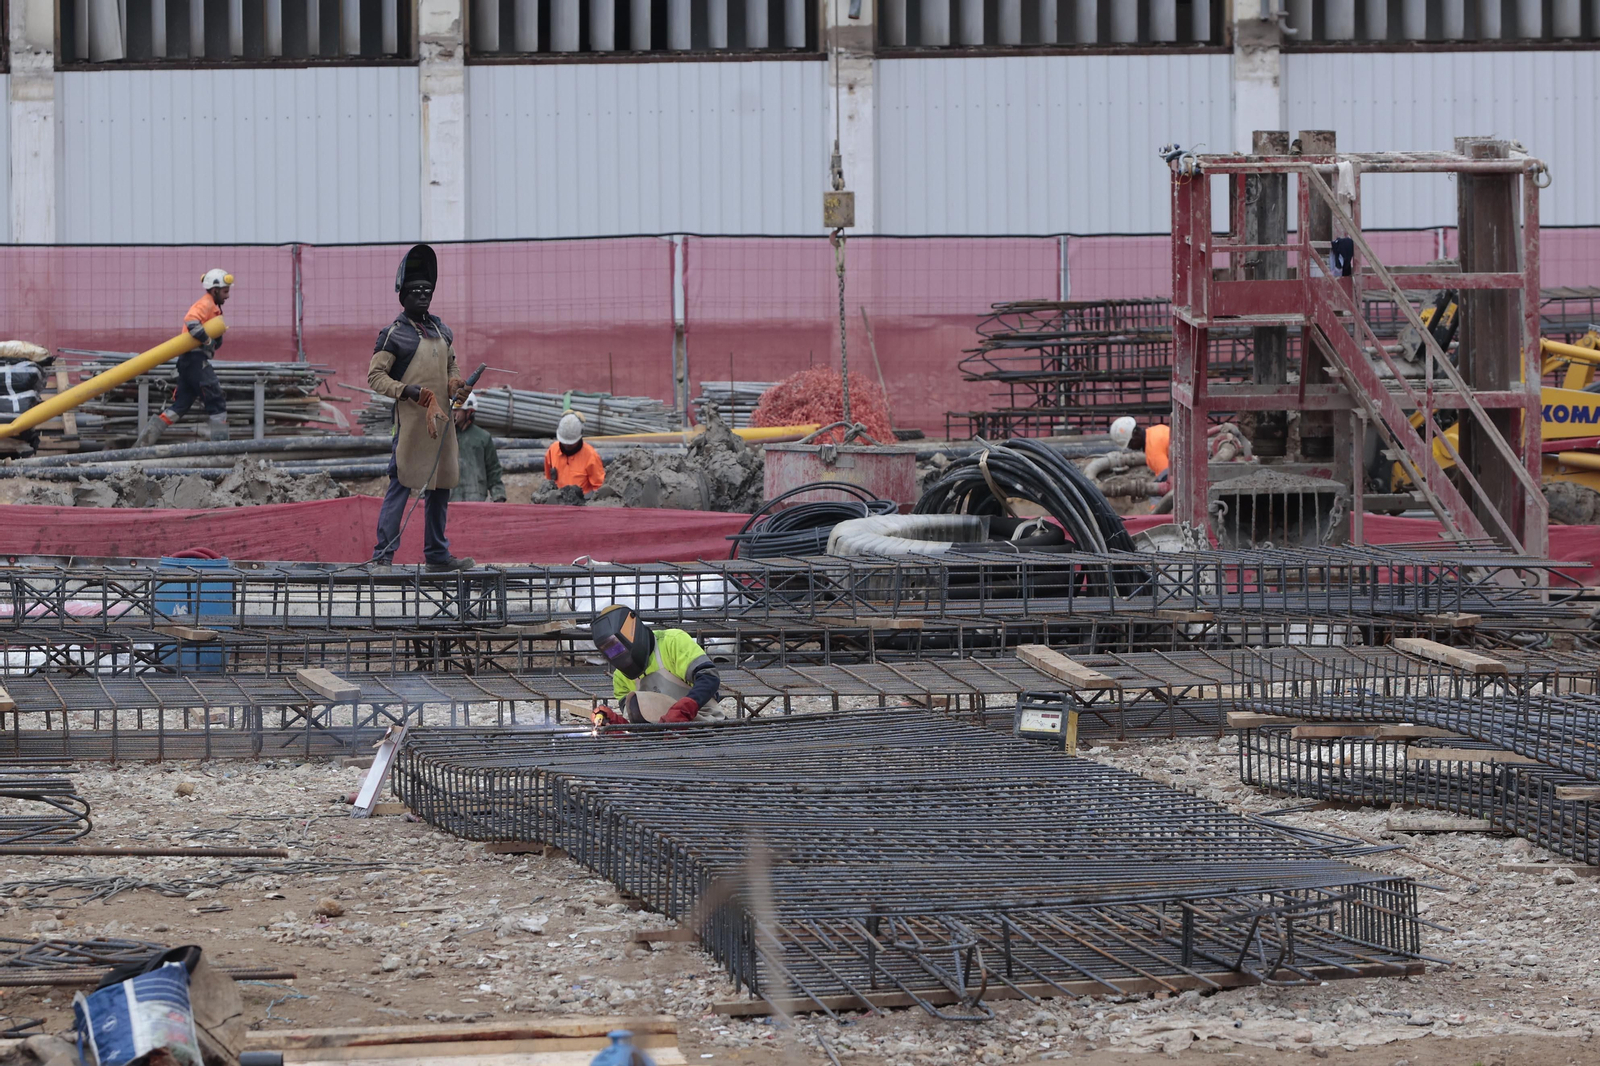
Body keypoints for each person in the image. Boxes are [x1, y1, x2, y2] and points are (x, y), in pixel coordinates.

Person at [367, 244, 475, 572]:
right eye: (416, 292)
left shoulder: (442, 331)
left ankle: (437, 556)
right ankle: (382, 556)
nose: (423, 296)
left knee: (441, 486)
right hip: (412, 423)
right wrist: (406, 391)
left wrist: (455, 384)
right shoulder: (395, 335)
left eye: (427, 291)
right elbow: (375, 376)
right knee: (402, 483)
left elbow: (451, 368)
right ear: (403, 296)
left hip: (442, 423)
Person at [135, 268, 233, 446]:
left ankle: (143, 444)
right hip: (195, 361)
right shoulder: (206, 303)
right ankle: (221, 449)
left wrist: (214, 340)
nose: (227, 296)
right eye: (225, 291)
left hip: (187, 362)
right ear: (215, 290)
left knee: (180, 406)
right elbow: (191, 321)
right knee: (216, 400)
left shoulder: (212, 307)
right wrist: (208, 341)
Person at [587, 604, 721, 726]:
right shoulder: (620, 678)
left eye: (619, 645)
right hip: (661, 735)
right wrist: (614, 723)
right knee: (634, 702)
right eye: (611, 650)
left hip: (704, 721)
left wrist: (684, 709)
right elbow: (637, 726)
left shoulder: (673, 642)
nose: (619, 653)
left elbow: (709, 677)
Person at [450, 394, 506, 503]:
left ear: (469, 412)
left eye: (457, 410)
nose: (453, 413)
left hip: (475, 501)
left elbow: (493, 470)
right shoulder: (445, 437)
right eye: (452, 410)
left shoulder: (482, 438)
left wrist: (498, 495)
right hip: (449, 501)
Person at [542, 411, 606, 494]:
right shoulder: (552, 450)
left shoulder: (591, 457)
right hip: (557, 501)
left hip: (581, 504)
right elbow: (548, 480)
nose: (567, 446)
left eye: (571, 444)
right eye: (564, 443)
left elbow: (599, 487)